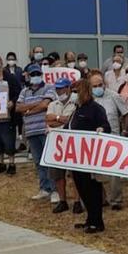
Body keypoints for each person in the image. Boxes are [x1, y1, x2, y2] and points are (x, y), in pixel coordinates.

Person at [67, 72, 111, 233]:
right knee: (82, 187)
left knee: (92, 188)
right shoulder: (76, 109)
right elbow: (68, 128)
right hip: (76, 156)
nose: (72, 95)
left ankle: (97, 221)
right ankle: (89, 218)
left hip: (89, 156)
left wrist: (101, 129)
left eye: (75, 91)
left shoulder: (95, 109)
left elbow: (106, 127)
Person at [18, 65, 58, 202]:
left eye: (37, 73)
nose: (35, 76)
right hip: (31, 131)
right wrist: (35, 106)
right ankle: (44, 188)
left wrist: (28, 111)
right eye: (33, 74)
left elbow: (45, 105)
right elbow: (18, 108)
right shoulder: (24, 91)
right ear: (28, 76)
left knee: (49, 161)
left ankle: (54, 190)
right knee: (38, 161)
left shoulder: (48, 87)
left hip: (44, 129)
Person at [44, 77, 81, 214]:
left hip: (72, 142)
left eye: (62, 88)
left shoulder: (77, 101)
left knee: (74, 174)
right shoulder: (53, 104)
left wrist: (57, 120)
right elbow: (48, 120)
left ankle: (77, 201)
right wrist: (60, 119)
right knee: (58, 174)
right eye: (58, 88)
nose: (60, 91)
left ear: (68, 88)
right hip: (56, 143)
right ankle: (62, 200)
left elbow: (72, 121)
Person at [97, 71, 128, 210]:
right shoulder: (89, 98)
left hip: (113, 137)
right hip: (96, 140)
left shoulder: (114, 96)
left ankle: (116, 200)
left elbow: (127, 112)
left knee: (114, 171)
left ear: (104, 84)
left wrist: (125, 131)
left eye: (100, 85)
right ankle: (101, 198)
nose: (97, 88)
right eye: (94, 85)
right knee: (96, 172)